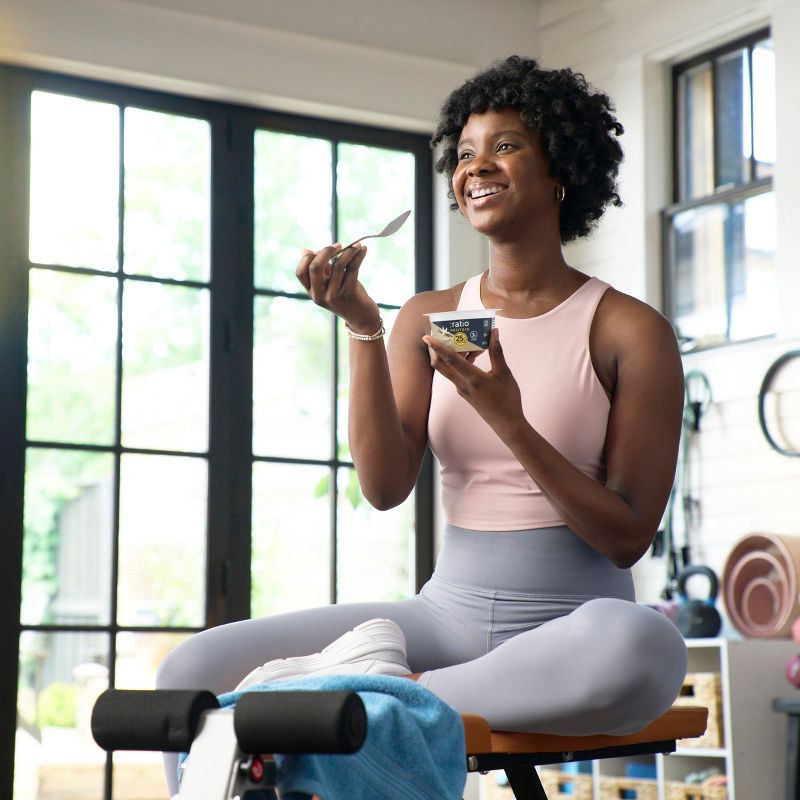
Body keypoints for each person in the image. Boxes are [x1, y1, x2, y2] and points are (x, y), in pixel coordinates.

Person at [156, 55, 688, 796]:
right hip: (445, 615)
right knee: (184, 673)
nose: (478, 167)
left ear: (562, 168)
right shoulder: (431, 318)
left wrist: (510, 420)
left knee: (646, 646)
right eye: (465, 153)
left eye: (505, 146)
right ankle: (390, 696)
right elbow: (383, 488)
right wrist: (365, 329)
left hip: (575, 630)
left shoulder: (629, 330)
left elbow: (628, 533)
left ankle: (389, 695)